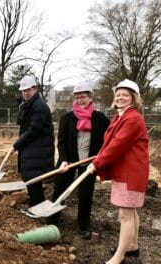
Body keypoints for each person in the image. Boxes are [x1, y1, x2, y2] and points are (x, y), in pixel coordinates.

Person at [87, 79, 149, 264]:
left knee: (125, 214)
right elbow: (110, 144)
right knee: (131, 211)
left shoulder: (132, 119)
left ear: (133, 98)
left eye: (125, 95)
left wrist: (97, 163)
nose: (121, 97)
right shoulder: (120, 116)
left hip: (131, 172)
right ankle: (132, 246)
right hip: (125, 169)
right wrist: (98, 158)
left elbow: (117, 145)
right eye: (119, 94)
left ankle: (119, 257)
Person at [47, 81, 110, 240]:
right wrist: (63, 160)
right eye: (77, 97)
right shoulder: (67, 118)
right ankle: (53, 219)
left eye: (83, 97)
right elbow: (60, 141)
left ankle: (83, 224)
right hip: (67, 162)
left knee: (85, 194)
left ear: (90, 98)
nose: (80, 100)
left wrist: (101, 157)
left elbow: (110, 138)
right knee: (60, 190)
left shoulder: (100, 118)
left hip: (89, 164)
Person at [13, 75, 55, 207]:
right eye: (23, 90)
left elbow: (33, 131)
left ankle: (37, 205)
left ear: (35, 89)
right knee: (30, 178)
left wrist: (17, 144)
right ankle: (34, 203)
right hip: (32, 149)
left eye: (28, 90)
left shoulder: (39, 107)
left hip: (39, 150)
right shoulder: (29, 105)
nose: (25, 93)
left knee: (33, 178)